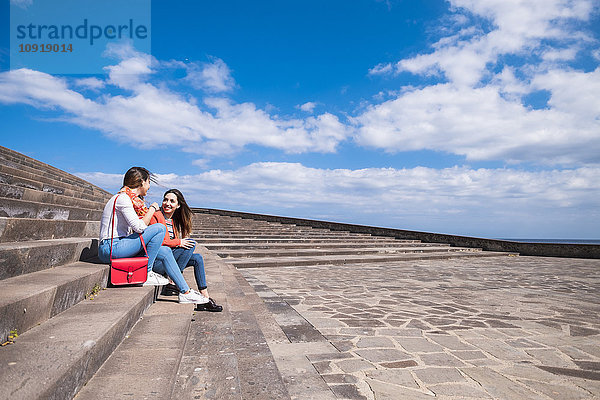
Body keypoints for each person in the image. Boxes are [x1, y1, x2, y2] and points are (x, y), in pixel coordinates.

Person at [98, 167, 209, 305]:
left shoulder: (129, 199)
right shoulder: (123, 199)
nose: (149, 187)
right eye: (148, 182)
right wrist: (152, 209)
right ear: (141, 182)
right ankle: (147, 272)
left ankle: (184, 292)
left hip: (120, 244)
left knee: (165, 251)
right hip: (111, 247)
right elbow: (139, 227)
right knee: (159, 229)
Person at [150, 189, 223, 312]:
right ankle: (173, 281)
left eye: (172, 201)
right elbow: (156, 242)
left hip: (169, 260)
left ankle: (205, 297)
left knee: (197, 258)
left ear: (178, 205)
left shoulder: (173, 220)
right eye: (165, 200)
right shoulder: (156, 216)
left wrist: (180, 241)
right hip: (158, 261)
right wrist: (179, 242)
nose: (167, 203)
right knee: (190, 244)